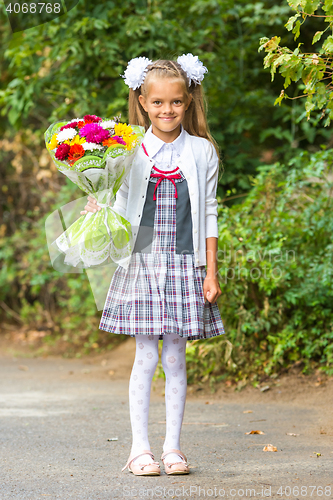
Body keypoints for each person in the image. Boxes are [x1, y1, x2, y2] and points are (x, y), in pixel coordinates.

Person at [80, 54, 226, 476]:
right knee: (146, 355)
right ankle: (139, 448)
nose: (167, 110)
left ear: (189, 101)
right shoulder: (127, 149)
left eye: (176, 102)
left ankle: (173, 448)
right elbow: (120, 205)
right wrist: (98, 206)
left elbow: (211, 213)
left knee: (176, 357)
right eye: (158, 102)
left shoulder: (202, 152)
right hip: (141, 264)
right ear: (142, 101)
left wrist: (210, 271)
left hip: (186, 266)